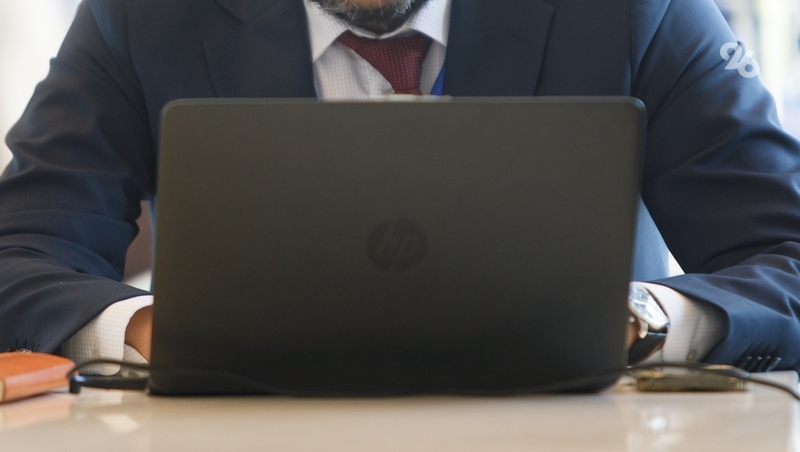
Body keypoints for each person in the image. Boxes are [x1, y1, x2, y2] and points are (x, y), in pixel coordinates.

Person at [2, 0, 800, 375]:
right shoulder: (139, 15)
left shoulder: (634, 9)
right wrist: (156, 332)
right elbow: (21, 254)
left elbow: (785, 250)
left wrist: (644, 325)